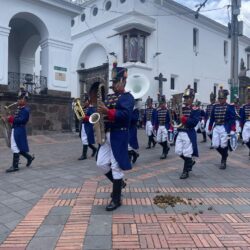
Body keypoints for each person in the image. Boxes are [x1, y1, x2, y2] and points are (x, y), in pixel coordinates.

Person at [96, 62, 134, 211]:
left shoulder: (128, 97)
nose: (114, 85)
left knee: (116, 166)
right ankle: (119, 183)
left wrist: (108, 111)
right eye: (113, 82)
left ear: (123, 81)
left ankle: (116, 199)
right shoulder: (110, 97)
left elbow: (125, 116)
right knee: (101, 163)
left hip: (119, 134)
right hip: (107, 134)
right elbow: (103, 111)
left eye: (116, 82)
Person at [6, 89, 35, 173]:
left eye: (20, 99)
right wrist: (9, 119)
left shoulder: (25, 110)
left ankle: (15, 166)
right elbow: (16, 118)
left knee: (14, 147)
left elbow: (22, 120)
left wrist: (11, 119)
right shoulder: (20, 108)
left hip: (19, 129)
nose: (18, 100)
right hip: (16, 128)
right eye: (18, 99)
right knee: (17, 147)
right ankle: (29, 158)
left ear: (24, 100)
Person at [175, 85, 200, 179]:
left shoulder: (195, 109)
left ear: (192, 98)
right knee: (178, 151)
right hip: (180, 131)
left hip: (188, 133)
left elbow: (194, 122)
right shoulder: (181, 107)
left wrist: (184, 119)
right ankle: (190, 162)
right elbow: (177, 120)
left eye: (187, 97)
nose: (185, 99)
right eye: (184, 97)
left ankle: (185, 171)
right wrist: (174, 113)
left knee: (187, 153)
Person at [208, 87, 236, 169]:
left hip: (225, 127)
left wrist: (233, 128)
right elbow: (212, 117)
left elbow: (232, 118)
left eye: (222, 98)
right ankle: (225, 155)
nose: (220, 100)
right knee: (215, 144)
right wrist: (210, 126)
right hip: (216, 127)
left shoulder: (229, 106)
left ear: (225, 98)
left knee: (224, 145)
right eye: (219, 98)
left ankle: (223, 160)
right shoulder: (215, 106)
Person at [78, 94, 97, 160]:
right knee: (84, 139)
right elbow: (80, 117)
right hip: (83, 125)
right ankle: (94, 149)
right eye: (84, 101)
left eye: (86, 101)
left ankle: (84, 155)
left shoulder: (92, 108)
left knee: (85, 139)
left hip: (88, 125)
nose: (84, 102)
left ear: (89, 101)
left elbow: (93, 118)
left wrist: (85, 118)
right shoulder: (83, 108)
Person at [155, 95, 170, 159]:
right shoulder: (158, 110)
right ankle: (166, 147)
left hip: (165, 126)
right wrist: (155, 127)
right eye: (160, 103)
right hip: (159, 126)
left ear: (165, 103)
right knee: (158, 140)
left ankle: (164, 153)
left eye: (163, 103)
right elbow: (156, 119)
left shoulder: (168, 111)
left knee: (164, 140)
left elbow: (170, 120)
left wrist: (169, 128)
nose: (161, 105)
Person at [240, 87, 250, 159]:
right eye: (248, 99)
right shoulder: (244, 106)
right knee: (245, 139)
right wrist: (241, 125)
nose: (249, 100)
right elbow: (242, 116)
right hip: (246, 123)